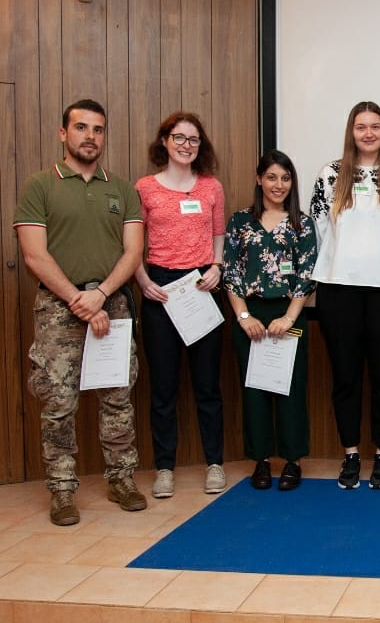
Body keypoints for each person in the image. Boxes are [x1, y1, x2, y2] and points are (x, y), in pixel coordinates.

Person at [13, 99, 147, 526]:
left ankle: (122, 480)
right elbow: (34, 256)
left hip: (114, 303)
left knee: (118, 399)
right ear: (63, 134)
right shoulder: (40, 186)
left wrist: (102, 294)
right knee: (58, 403)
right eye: (82, 128)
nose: (91, 136)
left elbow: (133, 251)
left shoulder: (121, 189)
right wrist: (80, 300)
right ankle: (62, 489)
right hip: (58, 309)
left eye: (99, 129)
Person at [310, 101, 380, 490]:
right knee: (346, 377)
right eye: (361, 127)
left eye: (375, 126)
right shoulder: (330, 175)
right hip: (339, 291)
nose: (368, 133)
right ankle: (351, 454)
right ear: (351, 132)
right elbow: (320, 230)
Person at [134, 112, 227, 499]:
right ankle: (165, 468)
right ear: (164, 141)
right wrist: (143, 281)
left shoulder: (211, 188)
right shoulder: (144, 188)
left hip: (202, 289)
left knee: (207, 386)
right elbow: (131, 243)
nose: (187, 145)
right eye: (179, 137)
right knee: (164, 388)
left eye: (194, 139)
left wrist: (217, 268)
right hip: (159, 291)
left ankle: (215, 463)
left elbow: (218, 234)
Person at [223, 150, 317, 492]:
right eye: (273, 177)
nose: (279, 185)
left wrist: (288, 317)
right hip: (250, 316)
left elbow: (307, 275)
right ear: (259, 178)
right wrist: (243, 316)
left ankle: (293, 461)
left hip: (289, 314)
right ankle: (260, 460)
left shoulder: (302, 223)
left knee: (291, 391)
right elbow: (230, 273)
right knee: (254, 391)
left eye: (286, 178)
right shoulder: (239, 222)